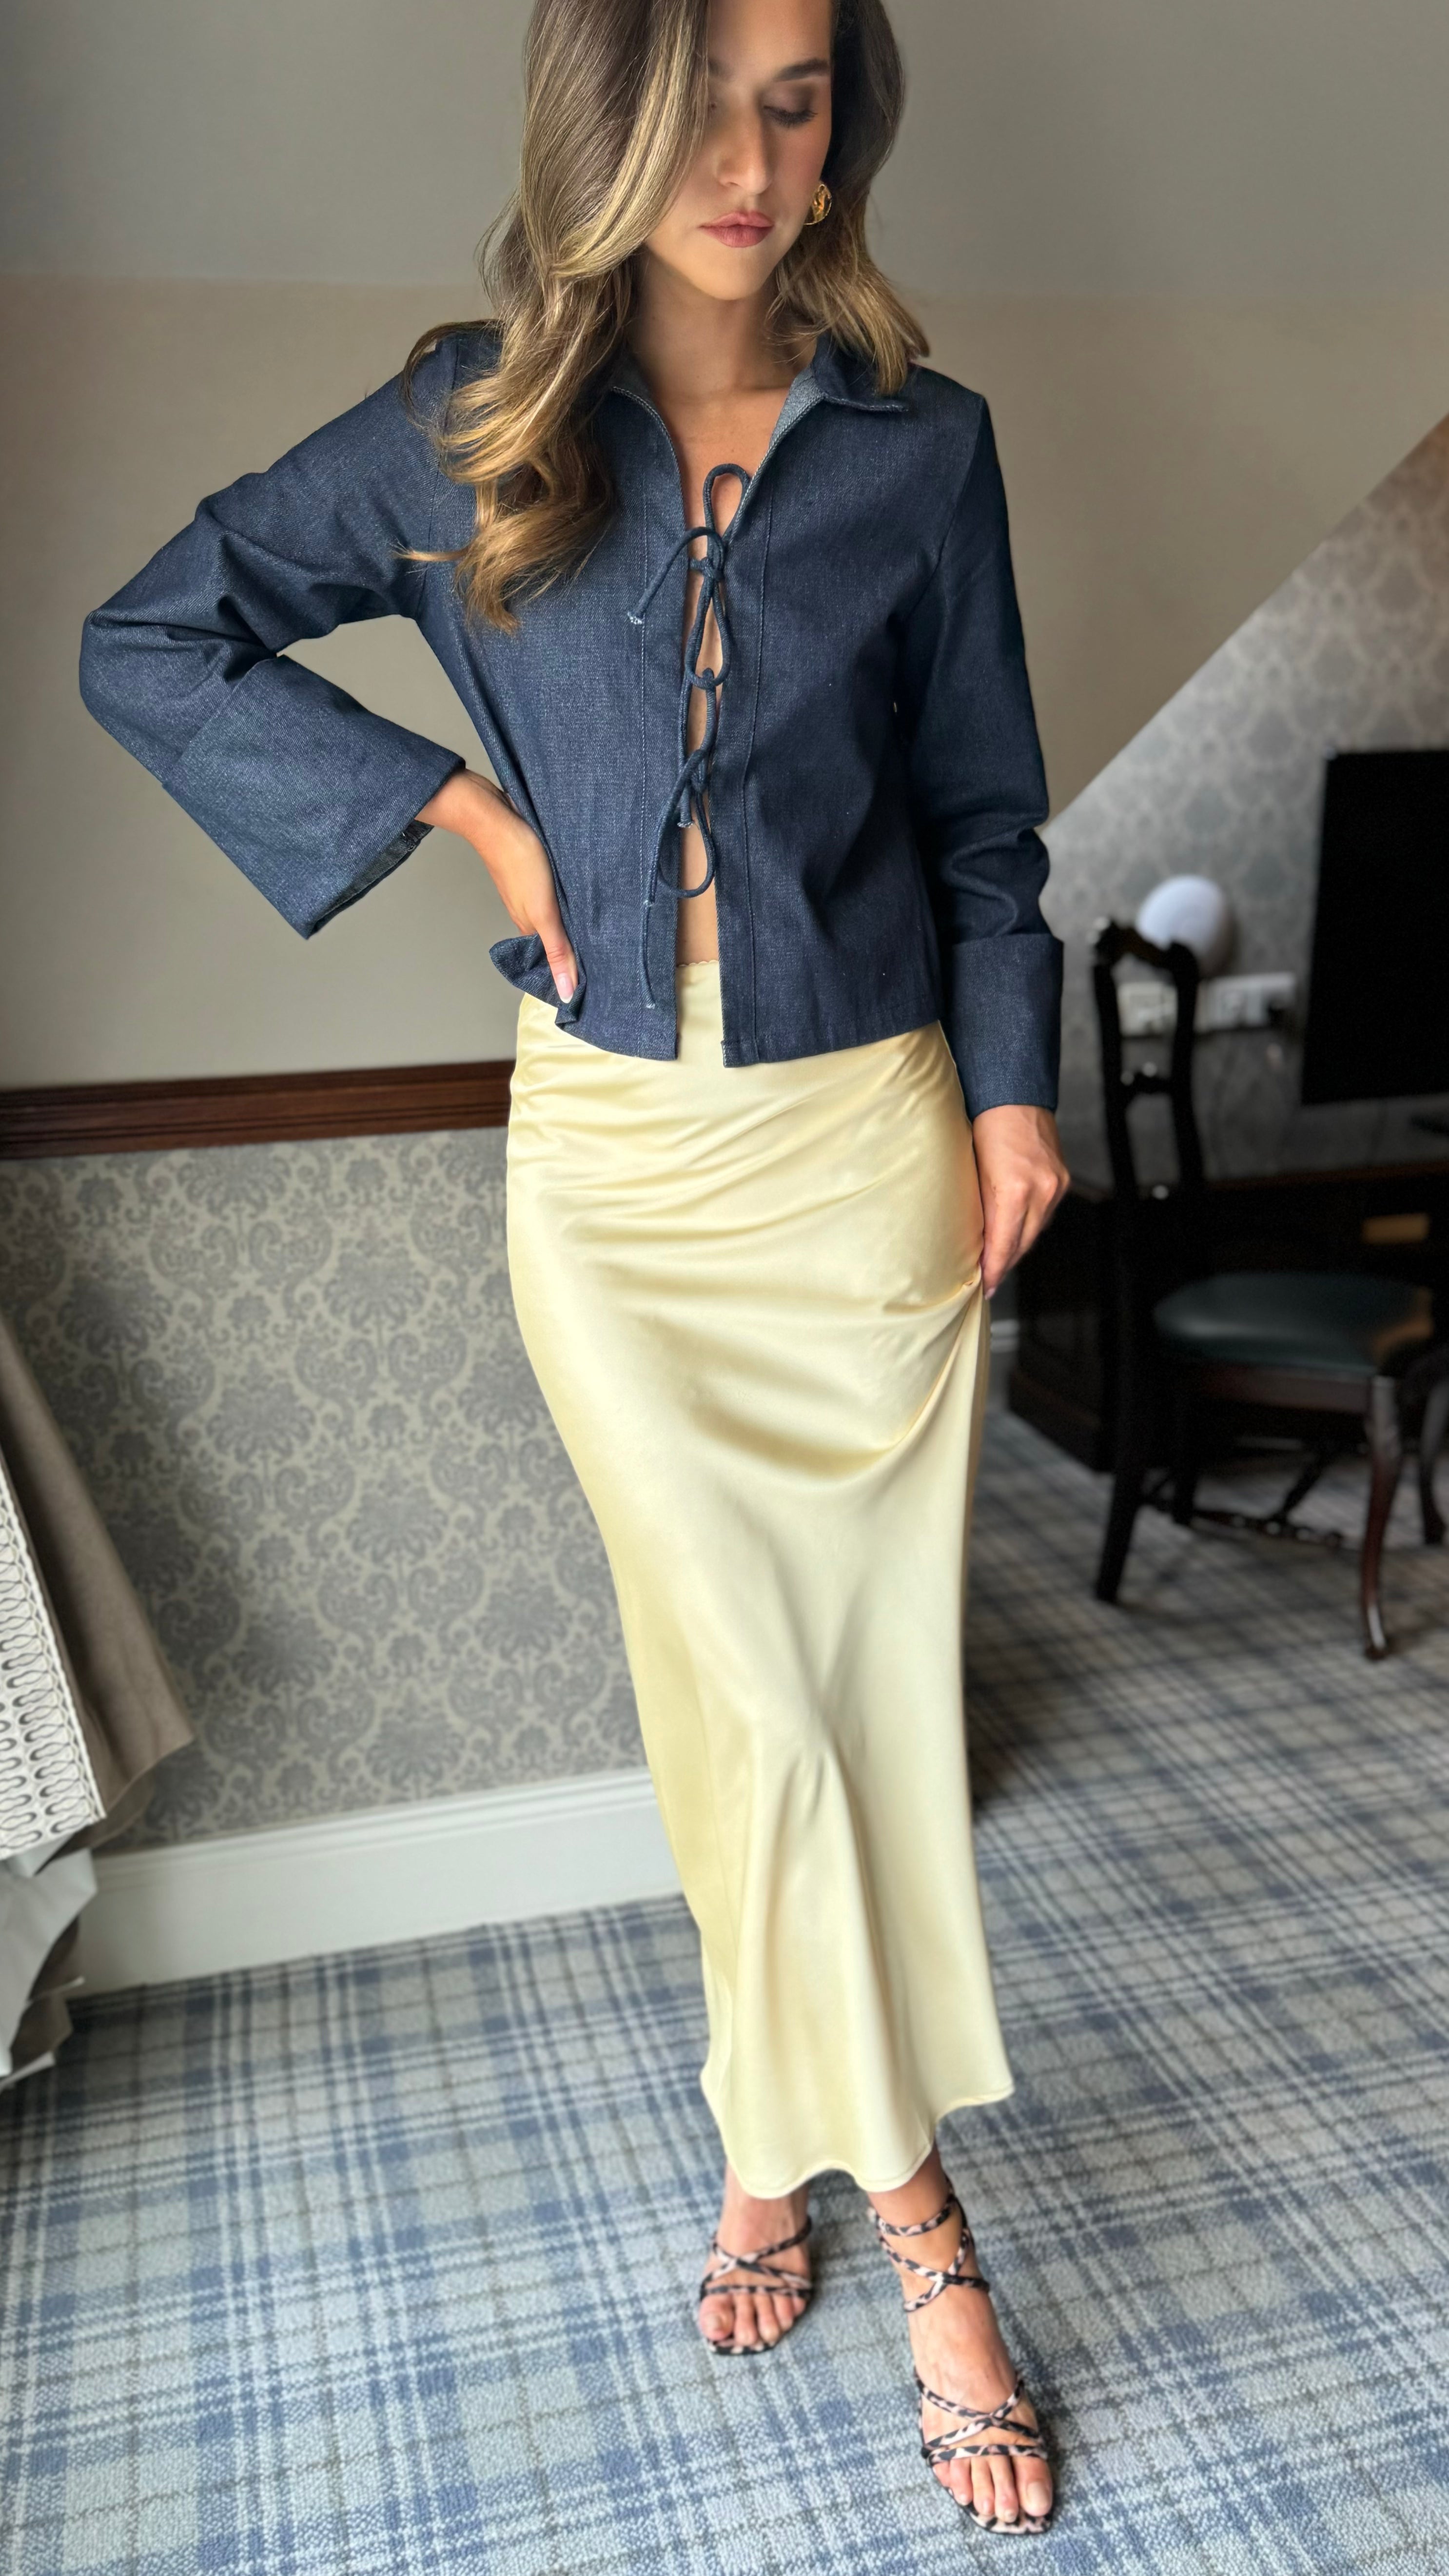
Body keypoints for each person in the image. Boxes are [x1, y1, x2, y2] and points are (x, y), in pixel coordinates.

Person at [79, 0, 1070, 2536]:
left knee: (814, 1715)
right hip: (619, 1182)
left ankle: (761, 2146)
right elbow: (150, 635)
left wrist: (1013, 1090)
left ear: (843, 128)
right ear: (602, 118)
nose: (752, 153)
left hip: (862, 1158)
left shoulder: (923, 449)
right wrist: (465, 814)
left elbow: (984, 819)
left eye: (799, 96)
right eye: (701, 96)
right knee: (750, 1694)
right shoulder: (472, 425)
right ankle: (930, 2234)